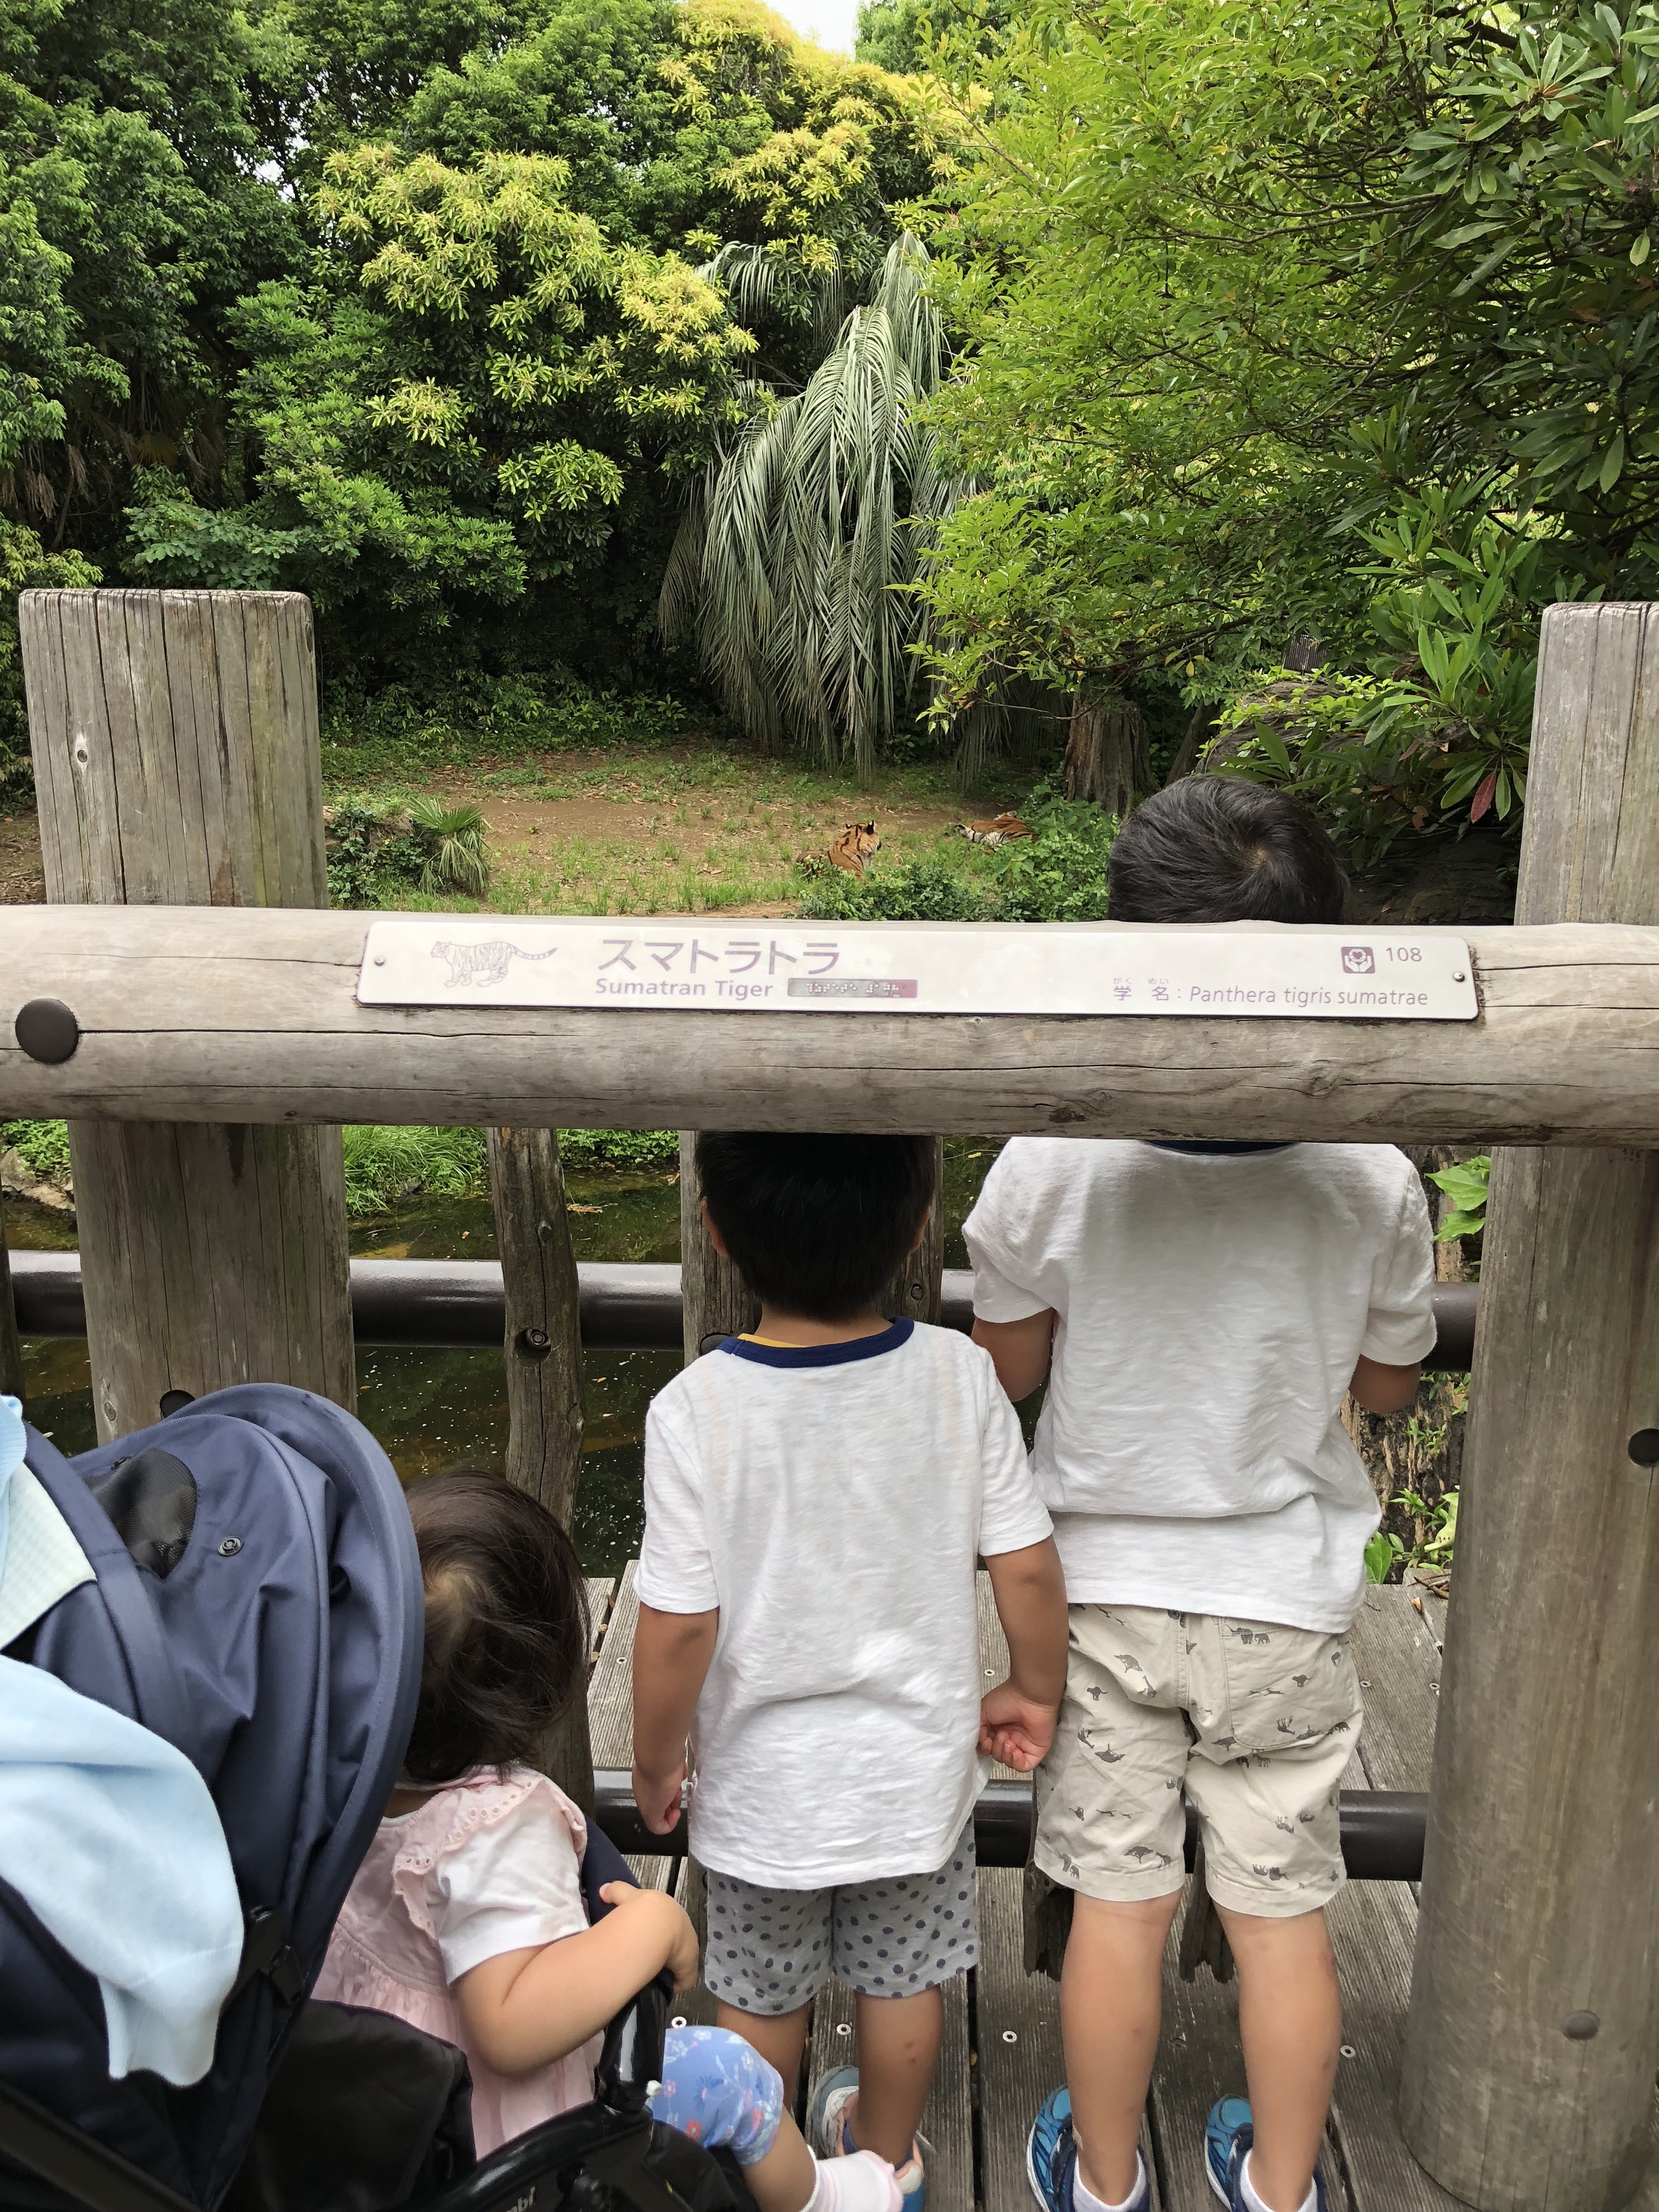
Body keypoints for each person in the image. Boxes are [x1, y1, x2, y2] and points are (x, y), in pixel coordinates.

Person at [964, 778, 1437, 2212]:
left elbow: (1012, 1361)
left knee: (1119, 1904)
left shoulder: (1054, 1153)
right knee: (1286, 1917)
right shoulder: (1372, 1174)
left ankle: (1105, 2180)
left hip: (1099, 1597)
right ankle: (1282, 2187)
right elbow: (1392, 1387)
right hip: (1285, 1605)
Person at [631, 1132, 1069, 2210]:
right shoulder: (961, 1379)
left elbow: (677, 1630)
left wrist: (656, 1762)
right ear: (917, 1227)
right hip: (911, 1774)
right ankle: (885, 2158)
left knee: (761, 1995)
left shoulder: (695, 1409)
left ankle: (766, 2172)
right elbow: (1026, 1567)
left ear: (718, 1231)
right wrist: (1034, 1686)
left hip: (762, 1786)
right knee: (905, 1977)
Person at [315, 1468, 901, 2212]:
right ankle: (819, 2200)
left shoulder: (326, 1786)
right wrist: (655, 1925)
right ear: (540, 1685)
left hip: (380, 2109)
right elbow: (508, 2021)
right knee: (729, 2072)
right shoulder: (496, 1828)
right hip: (505, 2142)